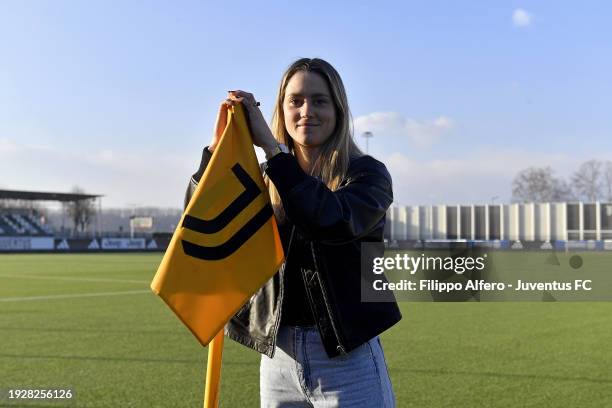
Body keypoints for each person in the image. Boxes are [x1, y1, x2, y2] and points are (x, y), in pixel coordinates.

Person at [186, 58, 401, 407]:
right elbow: (205, 224)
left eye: (319, 100)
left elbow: (329, 220)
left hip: (348, 359)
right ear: (281, 110)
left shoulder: (369, 175)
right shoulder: (266, 178)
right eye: (296, 101)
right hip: (278, 359)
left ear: (338, 109)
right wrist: (214, 154)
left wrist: (274, 151)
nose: (307, 111)